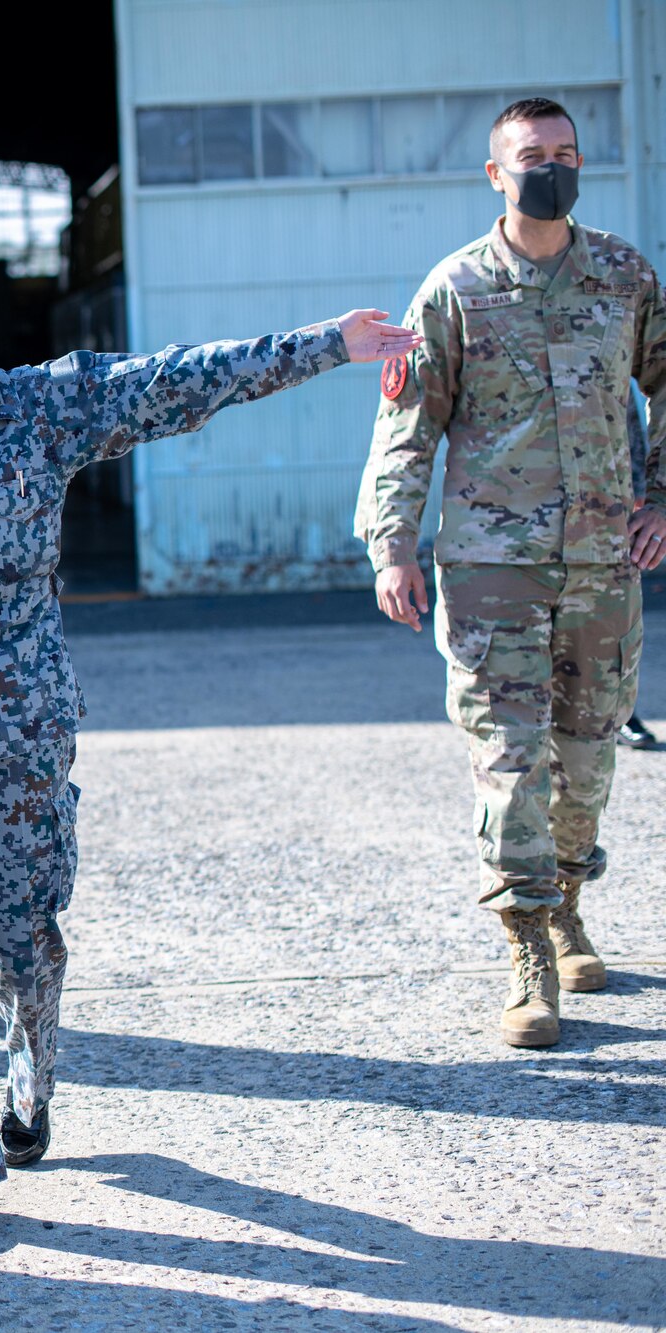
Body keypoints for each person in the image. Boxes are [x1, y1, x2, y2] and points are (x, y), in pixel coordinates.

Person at [0, 228, 414, 1249]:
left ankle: (29, 1078)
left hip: (23, 726)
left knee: (25, 941)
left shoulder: (38, 410)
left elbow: (178, 383)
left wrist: (325, 345)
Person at [357, 98, 666, 1047]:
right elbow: (408, 430)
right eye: (533, 155)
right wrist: (393, 545)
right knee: (509, 758)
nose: (551, 167)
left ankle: (568, 899)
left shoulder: (623, 277)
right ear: (496, 172)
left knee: (590, 753)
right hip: (492, 565)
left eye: (566, 154)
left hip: (604, 561)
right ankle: (528, 946)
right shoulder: (453, 289)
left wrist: (663, 499)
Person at [619, 389, 661, 749]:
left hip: (606, 508)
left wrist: (642, 490)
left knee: (613, 623)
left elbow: (626, 418)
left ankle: (621, 713)